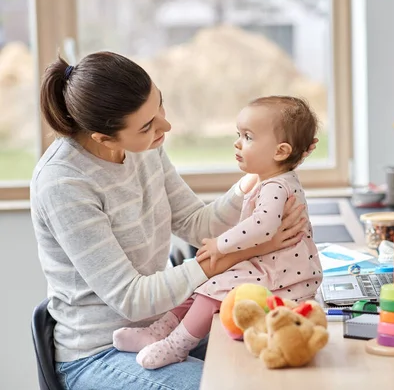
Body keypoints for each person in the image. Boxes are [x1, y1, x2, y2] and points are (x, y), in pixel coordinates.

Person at [31, 51, 316, 390]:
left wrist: (258, 179)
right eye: (147, 126)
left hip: (162, 326)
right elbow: (132, 299)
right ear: (104, 138)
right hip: (98, 354)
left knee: (296, 368)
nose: (165, 126)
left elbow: (197, 223)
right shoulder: (64, 184)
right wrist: (240, 253)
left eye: (159, 106)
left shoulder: (144, 148)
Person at [113, 96, 323, 369]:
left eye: (248, 137)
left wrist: (220, 245)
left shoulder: (275, 186)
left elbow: (262, 226)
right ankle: (158, 331)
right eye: (239, 134)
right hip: (270, 264)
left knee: (211, 292)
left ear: (281, 151)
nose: (237, 143)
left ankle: (177, 346)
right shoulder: (272, 179)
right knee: (197, 282)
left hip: (280, 274)